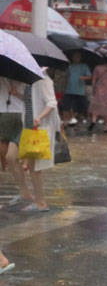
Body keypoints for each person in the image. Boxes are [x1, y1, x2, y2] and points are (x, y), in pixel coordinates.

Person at [18, 67, 61, 212]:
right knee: (32, 167)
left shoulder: (43, 79)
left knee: (36, 168)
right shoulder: (29, 80)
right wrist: (16, 93)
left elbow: (51, 103)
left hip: (40, 128)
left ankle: (41, 203)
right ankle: (38, 201)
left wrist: (39, 118)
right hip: (30, 128)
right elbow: (30, 101)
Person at [1, 77, 33, 209]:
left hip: (21, 114)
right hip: (3, 112)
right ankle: (24, 191)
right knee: (8, 156)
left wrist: (17, 93)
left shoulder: (26, 78)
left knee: (12, 156)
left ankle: (27, 191)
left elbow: (31, 102)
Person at [87, 60, 107, 133]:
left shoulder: (97, 68)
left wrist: (93, 88)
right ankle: (106, 127)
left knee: (96, 106)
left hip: (99, 90)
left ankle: (93, 121)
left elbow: (94, 79)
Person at [62, 52, 90, 126]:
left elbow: (90, 76)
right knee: (66, 105)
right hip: (69, 89)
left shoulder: (84, 66)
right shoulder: (69, 66)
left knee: (81, 106)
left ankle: (74, 118)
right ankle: (67, 120)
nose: (76, 58)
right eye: (74, 57)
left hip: (80, 90)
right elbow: (66, 76)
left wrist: (83, 78)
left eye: (78, 57)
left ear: (80, 58)